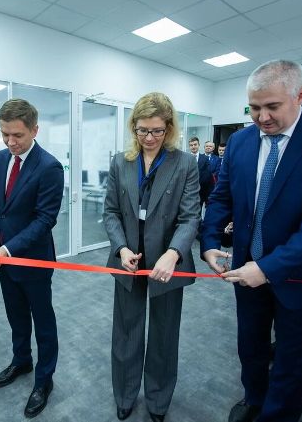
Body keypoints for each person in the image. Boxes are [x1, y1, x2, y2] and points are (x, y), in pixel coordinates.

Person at [201, 60, 302, 422]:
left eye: (272, 106)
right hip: (246, 271)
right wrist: (210, 241)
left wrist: (268, 267)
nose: (262, 117)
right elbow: (222, 197)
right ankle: (254, 398)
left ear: (300, 95)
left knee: (292, 360)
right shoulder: (240, 141)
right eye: (253, 108)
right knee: (251, 346)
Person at [103, 92, 201, 422]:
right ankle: (125, 394)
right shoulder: (120, 161)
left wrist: (174, 253)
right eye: (142, 130)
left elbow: (190, 217)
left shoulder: (185, 163)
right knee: (126, 333)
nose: (149, 138)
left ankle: (158, 400)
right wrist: (121, 248)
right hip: (129, 259)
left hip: (168, 262)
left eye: (157, 131)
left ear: (169, 128)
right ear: (134, 127)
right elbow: (111, 212)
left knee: (164, 335)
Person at [0, 98, 63, 418]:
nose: (10, 142)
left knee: (43, 322)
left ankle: (44, 380)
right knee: (16, 316)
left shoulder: (49, 167)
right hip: (4, 259)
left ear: (35, 130)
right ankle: (22, 361)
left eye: (17, 135)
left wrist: (8, 249)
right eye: (5, 134)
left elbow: (45, 220)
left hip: (33, 260)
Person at [188, 137, 212, 209]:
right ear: (189, 147)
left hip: (201, 191)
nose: (193, 147)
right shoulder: (185, 159)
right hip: (187, 191)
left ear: (199, 145)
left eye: (195, 144)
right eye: (191, 145)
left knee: (198, 210)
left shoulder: (205, 159)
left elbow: (207, 175)